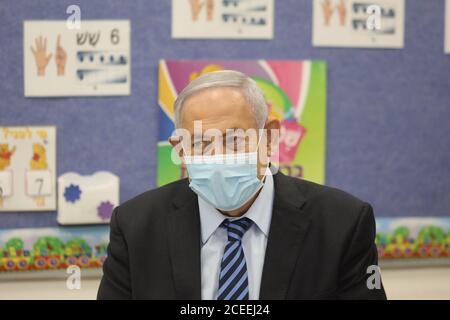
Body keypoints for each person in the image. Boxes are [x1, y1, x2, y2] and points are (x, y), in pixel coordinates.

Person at [97, 70, 387, 300]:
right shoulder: (136, 226)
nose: (219, 156)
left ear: (270, 137)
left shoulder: (343, 223)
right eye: (200, 142)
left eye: (235, 139)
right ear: (181, 150)